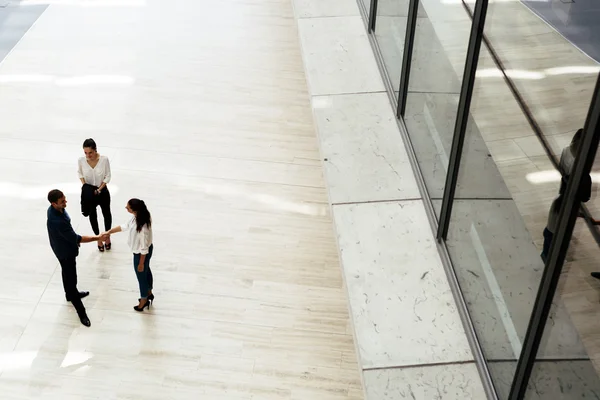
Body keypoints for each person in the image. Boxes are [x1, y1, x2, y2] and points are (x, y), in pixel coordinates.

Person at [47, 189, 105, 327]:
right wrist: (97, 237)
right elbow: (76, 238)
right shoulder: (57, 221)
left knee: (66, 272)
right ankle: (81, 312)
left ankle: (69, 294)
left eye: (65, 199)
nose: (65, 202)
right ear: (54, 204)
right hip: (65, 252)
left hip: (62, 248)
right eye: (62, 202)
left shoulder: (54, 210)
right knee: (71, 279)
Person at [103, 199, 154, 312]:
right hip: (146, 250)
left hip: (141, 254)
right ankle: (149, 292)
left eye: (128, 207)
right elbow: (125, 226)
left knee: (141, 275)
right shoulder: (140, 216)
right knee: (146, 271)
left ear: (134, 210)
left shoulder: (142, 227)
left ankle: (144, 299)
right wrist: (109, 232)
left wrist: (140, 263)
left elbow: (144, 249)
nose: (126, 208)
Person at [78, 138, 113, 252]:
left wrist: (99, 189)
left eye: (90, 152)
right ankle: (98, 238)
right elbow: (80, 173)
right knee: (92, 216)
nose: (88, 155)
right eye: (86, 153)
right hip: (90, 194)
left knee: (106, 214)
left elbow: (107, 176)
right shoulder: (81, 160)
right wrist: (86, 187)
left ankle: (107, 237)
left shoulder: (104, 160)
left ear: (95, 150)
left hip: (102, 191)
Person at [541, 195, 562, 262]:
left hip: (548, 230)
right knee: (551, 256)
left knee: (545, 253)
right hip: (553, 235)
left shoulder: (557, 200)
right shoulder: (564, 207)